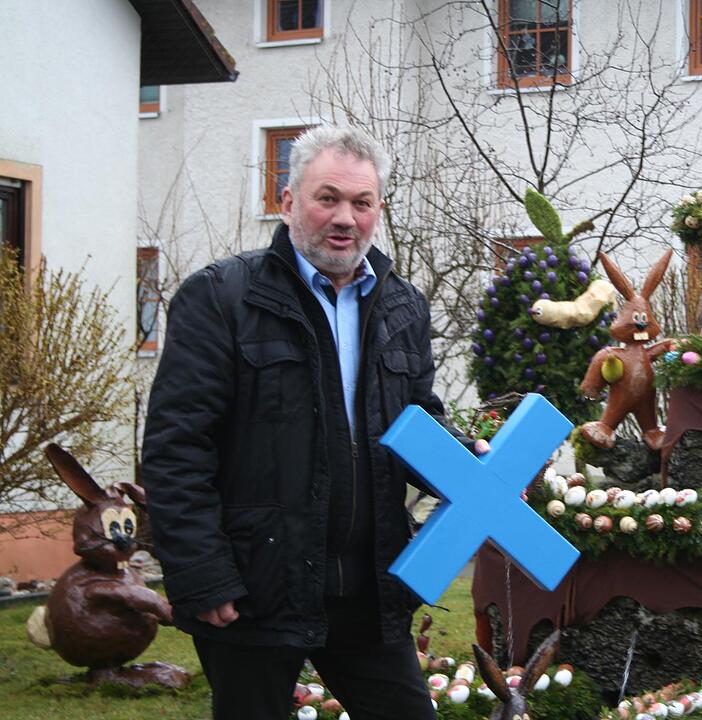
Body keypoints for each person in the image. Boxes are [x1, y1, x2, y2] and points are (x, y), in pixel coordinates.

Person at [142, 125, 487, 719]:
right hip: (255, 589)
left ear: (379, 209)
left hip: (370, 591)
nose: (345, 217)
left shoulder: (403, 306)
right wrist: (203, 573)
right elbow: (177, 450)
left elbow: (414, 425)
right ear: (288, 202)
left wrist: (473, 469)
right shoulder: (222, 297)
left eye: (362, 202)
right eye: (327, 198)